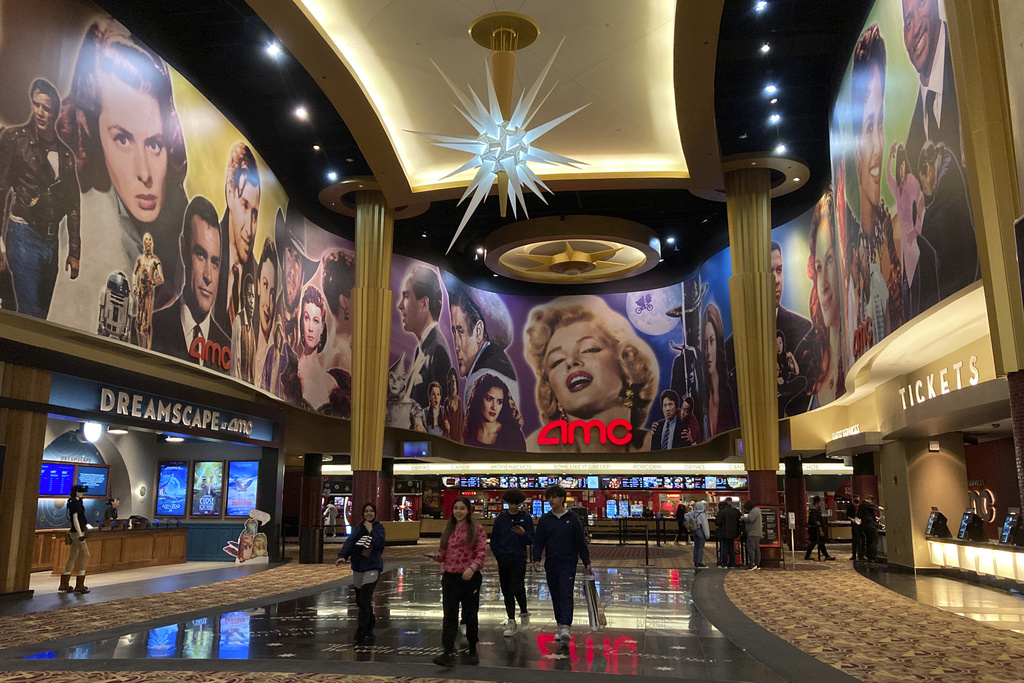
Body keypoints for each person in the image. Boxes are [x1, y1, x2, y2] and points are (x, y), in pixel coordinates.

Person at [51, 20, 188, 329]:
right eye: (122, 139)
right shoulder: (96, 233)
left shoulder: (175, 224)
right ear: (91, 129)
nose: (144, 174)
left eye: (154, 143)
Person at [524, 296, 656, 452]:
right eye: (557, 361)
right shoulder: (532, 448)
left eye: (589, 349)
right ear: (552, 391)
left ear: (626, 363)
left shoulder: (657, 444)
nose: (571, 361)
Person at [0, 79, 81, 320]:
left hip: (51, 241)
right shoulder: (15, 140)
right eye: (36, 105)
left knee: (41, 317)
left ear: (55, 112)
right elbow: (1, 189)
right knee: (29, 315)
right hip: (23, 234)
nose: (39, 112)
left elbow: (73, 202)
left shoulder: (65, 154)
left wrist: (74, 251)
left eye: (46, 108)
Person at [151, 197, 229, 367]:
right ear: (183, 249)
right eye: (200, 255)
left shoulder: (227, 348)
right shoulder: (153, 328)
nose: (208, 276)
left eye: (215, 263)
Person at [795, 192, 845, 409]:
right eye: (818, 267)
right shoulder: (809, 359)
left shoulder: (857, 353)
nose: (823, 284)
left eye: (830, 260)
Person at [902, 0, 962, 174]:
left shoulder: (969, 61)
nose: (915, 28)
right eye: (908, 23)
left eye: (921, 4)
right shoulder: (910, 149)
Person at [532, 485, 593, 644]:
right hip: (552, 563)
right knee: (555, 594)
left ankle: (566, 625)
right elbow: (539, 541)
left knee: (566, 593)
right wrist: (536, 557)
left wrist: (586, 561)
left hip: (568, 562)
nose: (551, 500)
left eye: (554, 497)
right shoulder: (545, 519)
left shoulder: (572, 518)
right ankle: (560, 624)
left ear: (562, 499)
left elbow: (580, 541)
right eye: (549, 497)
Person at [431, 496, 486, 667]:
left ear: (468, 510)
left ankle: (472, 649)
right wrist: (437, 557)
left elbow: (481, 553)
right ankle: (448, 651)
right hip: (450, 578)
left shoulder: (476, 529)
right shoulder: (449, 529)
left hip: (469, 578)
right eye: (456, 508)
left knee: (470, 614)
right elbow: (443, 551)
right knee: (449, 615)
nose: (458, 511)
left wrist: (472, 568)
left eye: (462, 508)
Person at [918, 140, 977, 296]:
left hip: (963, 264)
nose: (927, 190)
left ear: (927, 169)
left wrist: (922, 215)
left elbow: (939, 216)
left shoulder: (947, 170)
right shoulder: (946, 164)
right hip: (963, 262)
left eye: (924, 183)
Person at [282, 285, 350, 416]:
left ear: (322, 327)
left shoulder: (331, 382)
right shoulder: (290, 377)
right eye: (307, 318)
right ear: (302, 321)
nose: (311, 327)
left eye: (316, 320)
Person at [397, 265, 453, 409]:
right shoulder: (421, 350)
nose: (400, 305)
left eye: (406, 296)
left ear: (424, 303)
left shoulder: (437, 350)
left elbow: (440, 414)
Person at [218, 142, 260, 332]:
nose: (250, 230)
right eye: (245, 206)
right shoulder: (207, 249)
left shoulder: (260, 278)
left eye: (255, 214)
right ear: (229, 194)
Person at [446, 276, 517, 382]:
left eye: (460, 332)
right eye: (453, 332)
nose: (456, 347)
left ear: (478, 331)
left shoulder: (485, 379)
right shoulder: (487, 370)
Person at [335, 502, 385, 644]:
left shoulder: (378, 527)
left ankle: (361, 631)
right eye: (366, 511)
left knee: (364, 599)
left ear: (375, 513)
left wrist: (371, 530)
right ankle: (370, 622)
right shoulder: (358, 528)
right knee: (360, 600)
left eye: (371, 511)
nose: (369, 513)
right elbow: (350, 543)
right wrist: (342, 556)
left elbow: (380, 543)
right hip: (358, 567)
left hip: (372, 567)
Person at [771, 241, 811, 416]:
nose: (776, 280)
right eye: (769, 273)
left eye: (779, 270)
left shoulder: (804, 329)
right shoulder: (733, 346)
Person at [490, 488, 534, 636]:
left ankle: (523, 611)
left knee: (517, 587)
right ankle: (511, 620)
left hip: (519, 558)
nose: (513, 506)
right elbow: (494, 539)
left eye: (516, 503)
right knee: (506, 590)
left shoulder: (525, 517)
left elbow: (532, 539)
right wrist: (498, 555)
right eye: (511, 503)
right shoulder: (501, 519)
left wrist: (523, 533)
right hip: (504, 559)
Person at [463, 373, 526, 450]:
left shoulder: (514, 436)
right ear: (479, 399)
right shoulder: (467, 433)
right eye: (489, 399)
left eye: (499, 402)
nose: (494, 407)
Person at [702, 303, 736, 438]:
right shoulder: (701, 399)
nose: (708, 352)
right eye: (705, 344)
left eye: (712, 341)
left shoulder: (730, 393)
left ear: (718, 344)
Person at [131, 233, 163, 349]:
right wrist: (134, 286)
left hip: (149, 292)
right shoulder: (140, 259)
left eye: (149, 241)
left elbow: (161, 278)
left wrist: (153, 282)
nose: (148, 244)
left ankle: (147, 349)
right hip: (141, 291)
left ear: (152, 245)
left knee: (147, 324)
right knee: (138, 321)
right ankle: (140, 347)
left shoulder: (155, 261)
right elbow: (135, 273)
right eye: (146, 241)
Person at [253, 238, 279, 379]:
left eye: (273, 293)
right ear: (257, 286)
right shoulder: (246, 343)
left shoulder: (275, 362)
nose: (268, 304)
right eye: (265, 285)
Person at [60, 484, 91, 594]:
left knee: (73, 555)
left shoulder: (75, 502)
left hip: (76, 531)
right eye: (81, 491)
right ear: (76, 492)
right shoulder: (75, 503)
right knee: (86, 555)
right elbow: (75, 519)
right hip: (77, 532)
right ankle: (79, 584)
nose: (82, 493)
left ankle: (64, 584)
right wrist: (80, 533)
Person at [231, 274, 256, 383]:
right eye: (249, 295)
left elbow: (253, 368)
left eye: (254, 296)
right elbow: (235, 361)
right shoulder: (238, 321)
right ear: (244, 298)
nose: (252, 301)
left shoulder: (252, 330)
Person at [804, 495, 836, 561]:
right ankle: (825, 555)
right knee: (816, 542)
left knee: (816, 543)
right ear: (816, 503)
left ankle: (809, 555)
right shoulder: (814, 512)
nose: (821, 504)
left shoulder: (815, 511)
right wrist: (820, 530)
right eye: (820, 503)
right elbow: (817, 522)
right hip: (815, 530)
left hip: (814, 530)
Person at [714, 499, 741, 568]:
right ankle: (732, 564)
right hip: (733, 533)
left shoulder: (721, 512)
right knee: (731, 548)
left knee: (724, 548)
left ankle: (724, 563)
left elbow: (717, 523)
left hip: (723, 533)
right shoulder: (734, 512)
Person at [857, 495, 883, 562]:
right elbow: (879, 508)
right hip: (871, 525)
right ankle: (873, 557)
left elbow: (859, 515)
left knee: (868, 541)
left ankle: (868, 556)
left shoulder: (860, 506)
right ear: (870, 500)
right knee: (874, 541)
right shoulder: (868, 504)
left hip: (864, 526)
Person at [686, 501, 710, 568]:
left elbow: (686, 516)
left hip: (694, 530)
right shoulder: (702, 514)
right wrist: (707, 535)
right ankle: (699, 562)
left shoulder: (693, 513)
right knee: (700, 547)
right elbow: (705, 525)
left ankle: (695, 561)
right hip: (700, 530)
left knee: (696, 546)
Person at [442, 367, 463, 443]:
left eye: (454, 381)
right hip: (449, 439)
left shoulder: (459, 401)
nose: (453, 384)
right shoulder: (447, 402)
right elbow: (445, 421)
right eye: (451, 382)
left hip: (458, 439)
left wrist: (460, 440)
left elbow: (460, 423)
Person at [742, 501, 762, 570]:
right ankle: (757, 564)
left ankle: (752, 563)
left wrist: (743, 518)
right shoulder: (757, 510)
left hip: (753, 533)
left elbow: (750, 519)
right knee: (756, 549)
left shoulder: (754, 511)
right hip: (756, 533)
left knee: (751, 548)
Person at [847, 495, 863, 561]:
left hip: (861, 525)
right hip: (854, 525)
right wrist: (852, 519)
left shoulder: (861, 507)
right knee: (854, 540)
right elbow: (848, 516)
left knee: (861, 540)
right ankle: (854, 555)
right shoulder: (850, 507)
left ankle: (861, 555)